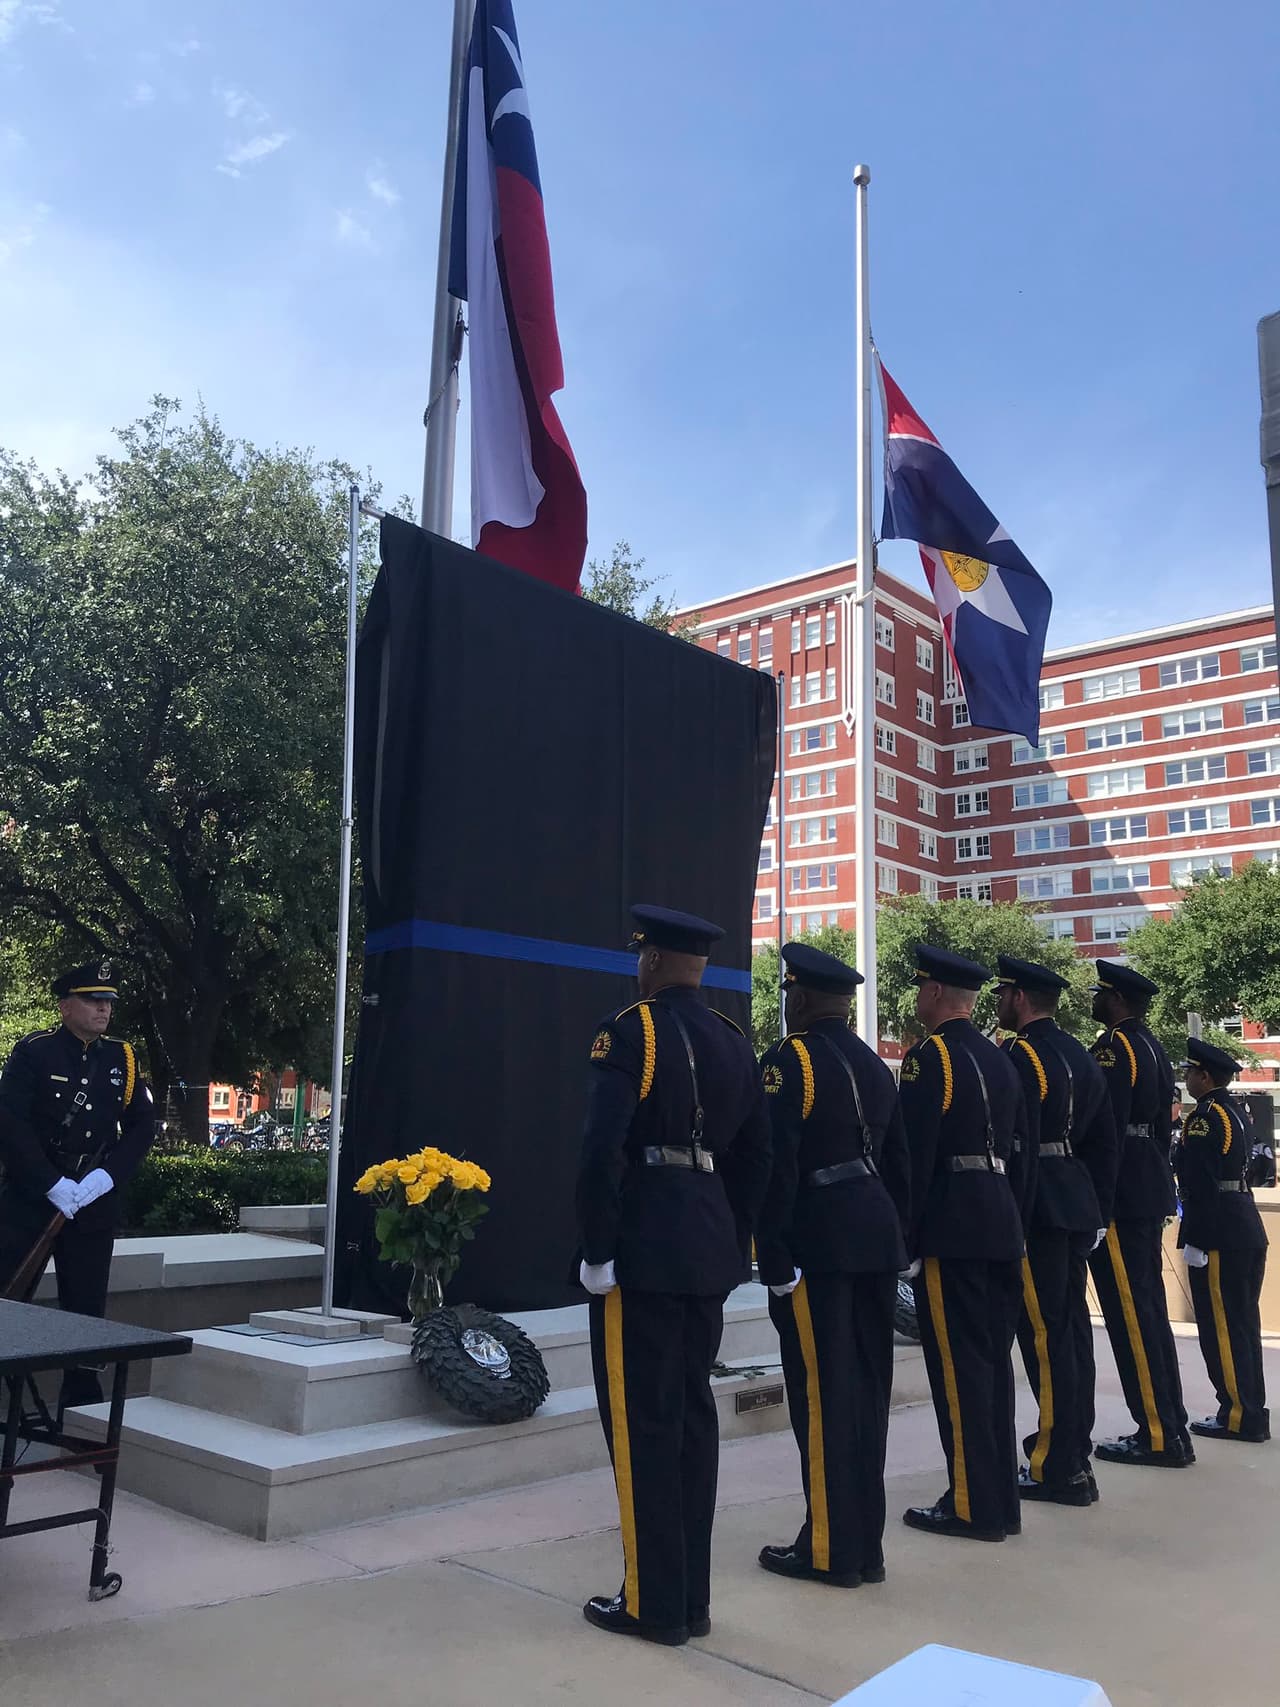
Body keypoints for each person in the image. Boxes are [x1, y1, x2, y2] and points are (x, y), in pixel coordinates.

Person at [574, 905, 772, 1646]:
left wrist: (598, 1249)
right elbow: (758, 1157)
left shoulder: (630, 1031)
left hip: (645, 1249)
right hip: (708, 1247)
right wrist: (735, 1239)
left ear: (651, 959)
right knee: (692, 1420)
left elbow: (602, 1150)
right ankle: (689, 1597)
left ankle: (651, 1602)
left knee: (642, 1424)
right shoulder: (733, 1041)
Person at [755, 942, 910, 1588]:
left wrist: (773, 1255)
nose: (787, 1001)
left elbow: (776, 1164)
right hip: (875, 1238)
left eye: (791, 992)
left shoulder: (792, 1060)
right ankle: (862, 1541)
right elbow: (896, 1164)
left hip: (820, 1241)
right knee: (865, 1395)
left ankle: (828, 1546)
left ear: (804, 996)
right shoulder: (876, 1065)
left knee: (821, 1397)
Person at [897, 944, 1029, 1543]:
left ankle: (972, 1505)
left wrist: (910, 1235)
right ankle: (999, 1500)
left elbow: (914, 1155)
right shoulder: (1001, 1059)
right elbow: (1019, 1151)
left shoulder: (931, 1058)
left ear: (935, 994)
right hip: (1000, 1220)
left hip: (953, 1223)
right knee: (991, 1368)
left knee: (959, 1371)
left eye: (921, 988)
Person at [0, 961, 155, 1410]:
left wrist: (107, 1177)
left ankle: (82, 1413)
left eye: (108, 1001)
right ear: (66, 1006)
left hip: (91, 1199)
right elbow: (10, 1123)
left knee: (86, 1311)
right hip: (33, 1195)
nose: (103, 1009)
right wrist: (50, 1183)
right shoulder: (35, 1052)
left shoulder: (122, 1058)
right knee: (8, 1298)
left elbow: (143, 1126)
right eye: (92, 1000)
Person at [995, 955, 1119, 1507]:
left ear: (1020, 998)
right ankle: (1072, 1448)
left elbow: (1014, 1140)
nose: (998, 1001)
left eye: (1003, 993)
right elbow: (1104, 1142)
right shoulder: (1078, 1053)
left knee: (1044, 1338)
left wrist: (1012, 1215)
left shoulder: (1021, 1054)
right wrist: (1098, 1210)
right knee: (1067, 1333)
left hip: (1038, 1205)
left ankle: (1055, 1463)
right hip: (1073, 1199)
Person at [1088, 961, 1191, 1468]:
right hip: (1147, 1181)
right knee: (1147, 1313)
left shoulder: (1114, 1048)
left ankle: (1157, 1434)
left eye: (1101, 995)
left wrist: (1098, 1203)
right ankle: (1170, 1425)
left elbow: (1104, 1128)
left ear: (1119, 1003)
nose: (1094, 1000)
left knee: (1131, 1315)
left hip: (1123, 1193)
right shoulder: (1152, 1046)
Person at [1175, 1037, 1269, 1444]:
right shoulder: (1238, 1112)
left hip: (1219, 1233)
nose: (1186, 1078)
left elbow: (1197, 1182)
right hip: (1244, 1223)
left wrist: (1195, 1237)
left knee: (1223, 1328)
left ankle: (1236, 1413)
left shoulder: (1204, 1117)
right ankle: (1249, 1408)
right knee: (1244, 1325)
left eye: (1190, 1072)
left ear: (1205, 1076)